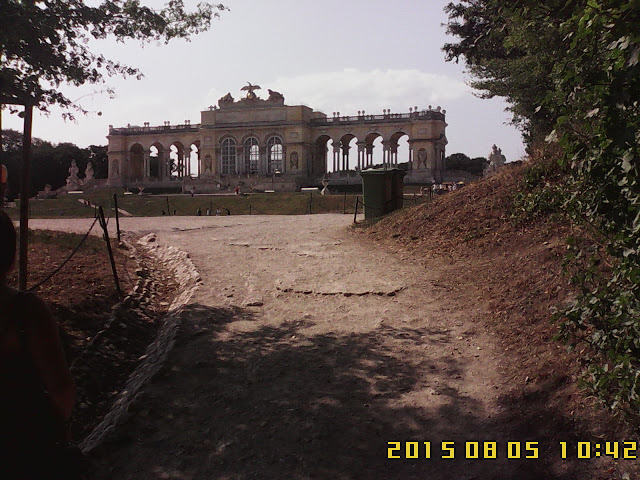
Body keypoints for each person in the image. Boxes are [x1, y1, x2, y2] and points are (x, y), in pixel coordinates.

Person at [0, 210, 77, 478]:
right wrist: (64, 429)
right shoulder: (27, 311)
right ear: (10, 258)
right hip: (22, 445)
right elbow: (62, 390)